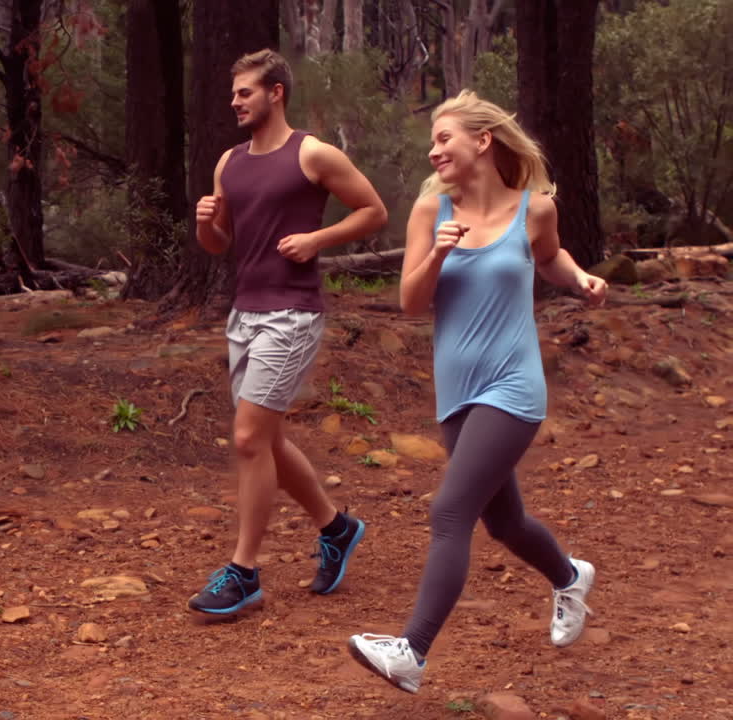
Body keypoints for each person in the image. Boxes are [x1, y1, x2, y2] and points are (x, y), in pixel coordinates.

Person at [347, 90, 608, 693]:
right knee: (505, 522)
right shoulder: (429, 211)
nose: (433, 150)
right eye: (432, 142)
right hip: (456, 390)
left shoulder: (534, 208)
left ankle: (412, 650)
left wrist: (579, 279)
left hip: (512, 385)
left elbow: (549, 260)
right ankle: (569, 576)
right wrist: (438, 253)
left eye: (444, 139)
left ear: (482, 142)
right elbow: (411, 304)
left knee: (450, 511)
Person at [187, 49, 388, 617]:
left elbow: (373, 211)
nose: (235, 102)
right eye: (233, 94)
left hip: (292, 314)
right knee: (267, 440)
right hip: (244, 314)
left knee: (249, 438)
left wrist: (316, 240)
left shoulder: (313, 154)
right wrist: (207, 224)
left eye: (245, 92)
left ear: (276, 92)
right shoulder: (229, 162)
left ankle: (245, 572)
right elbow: (220, 245)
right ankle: (337, 527)